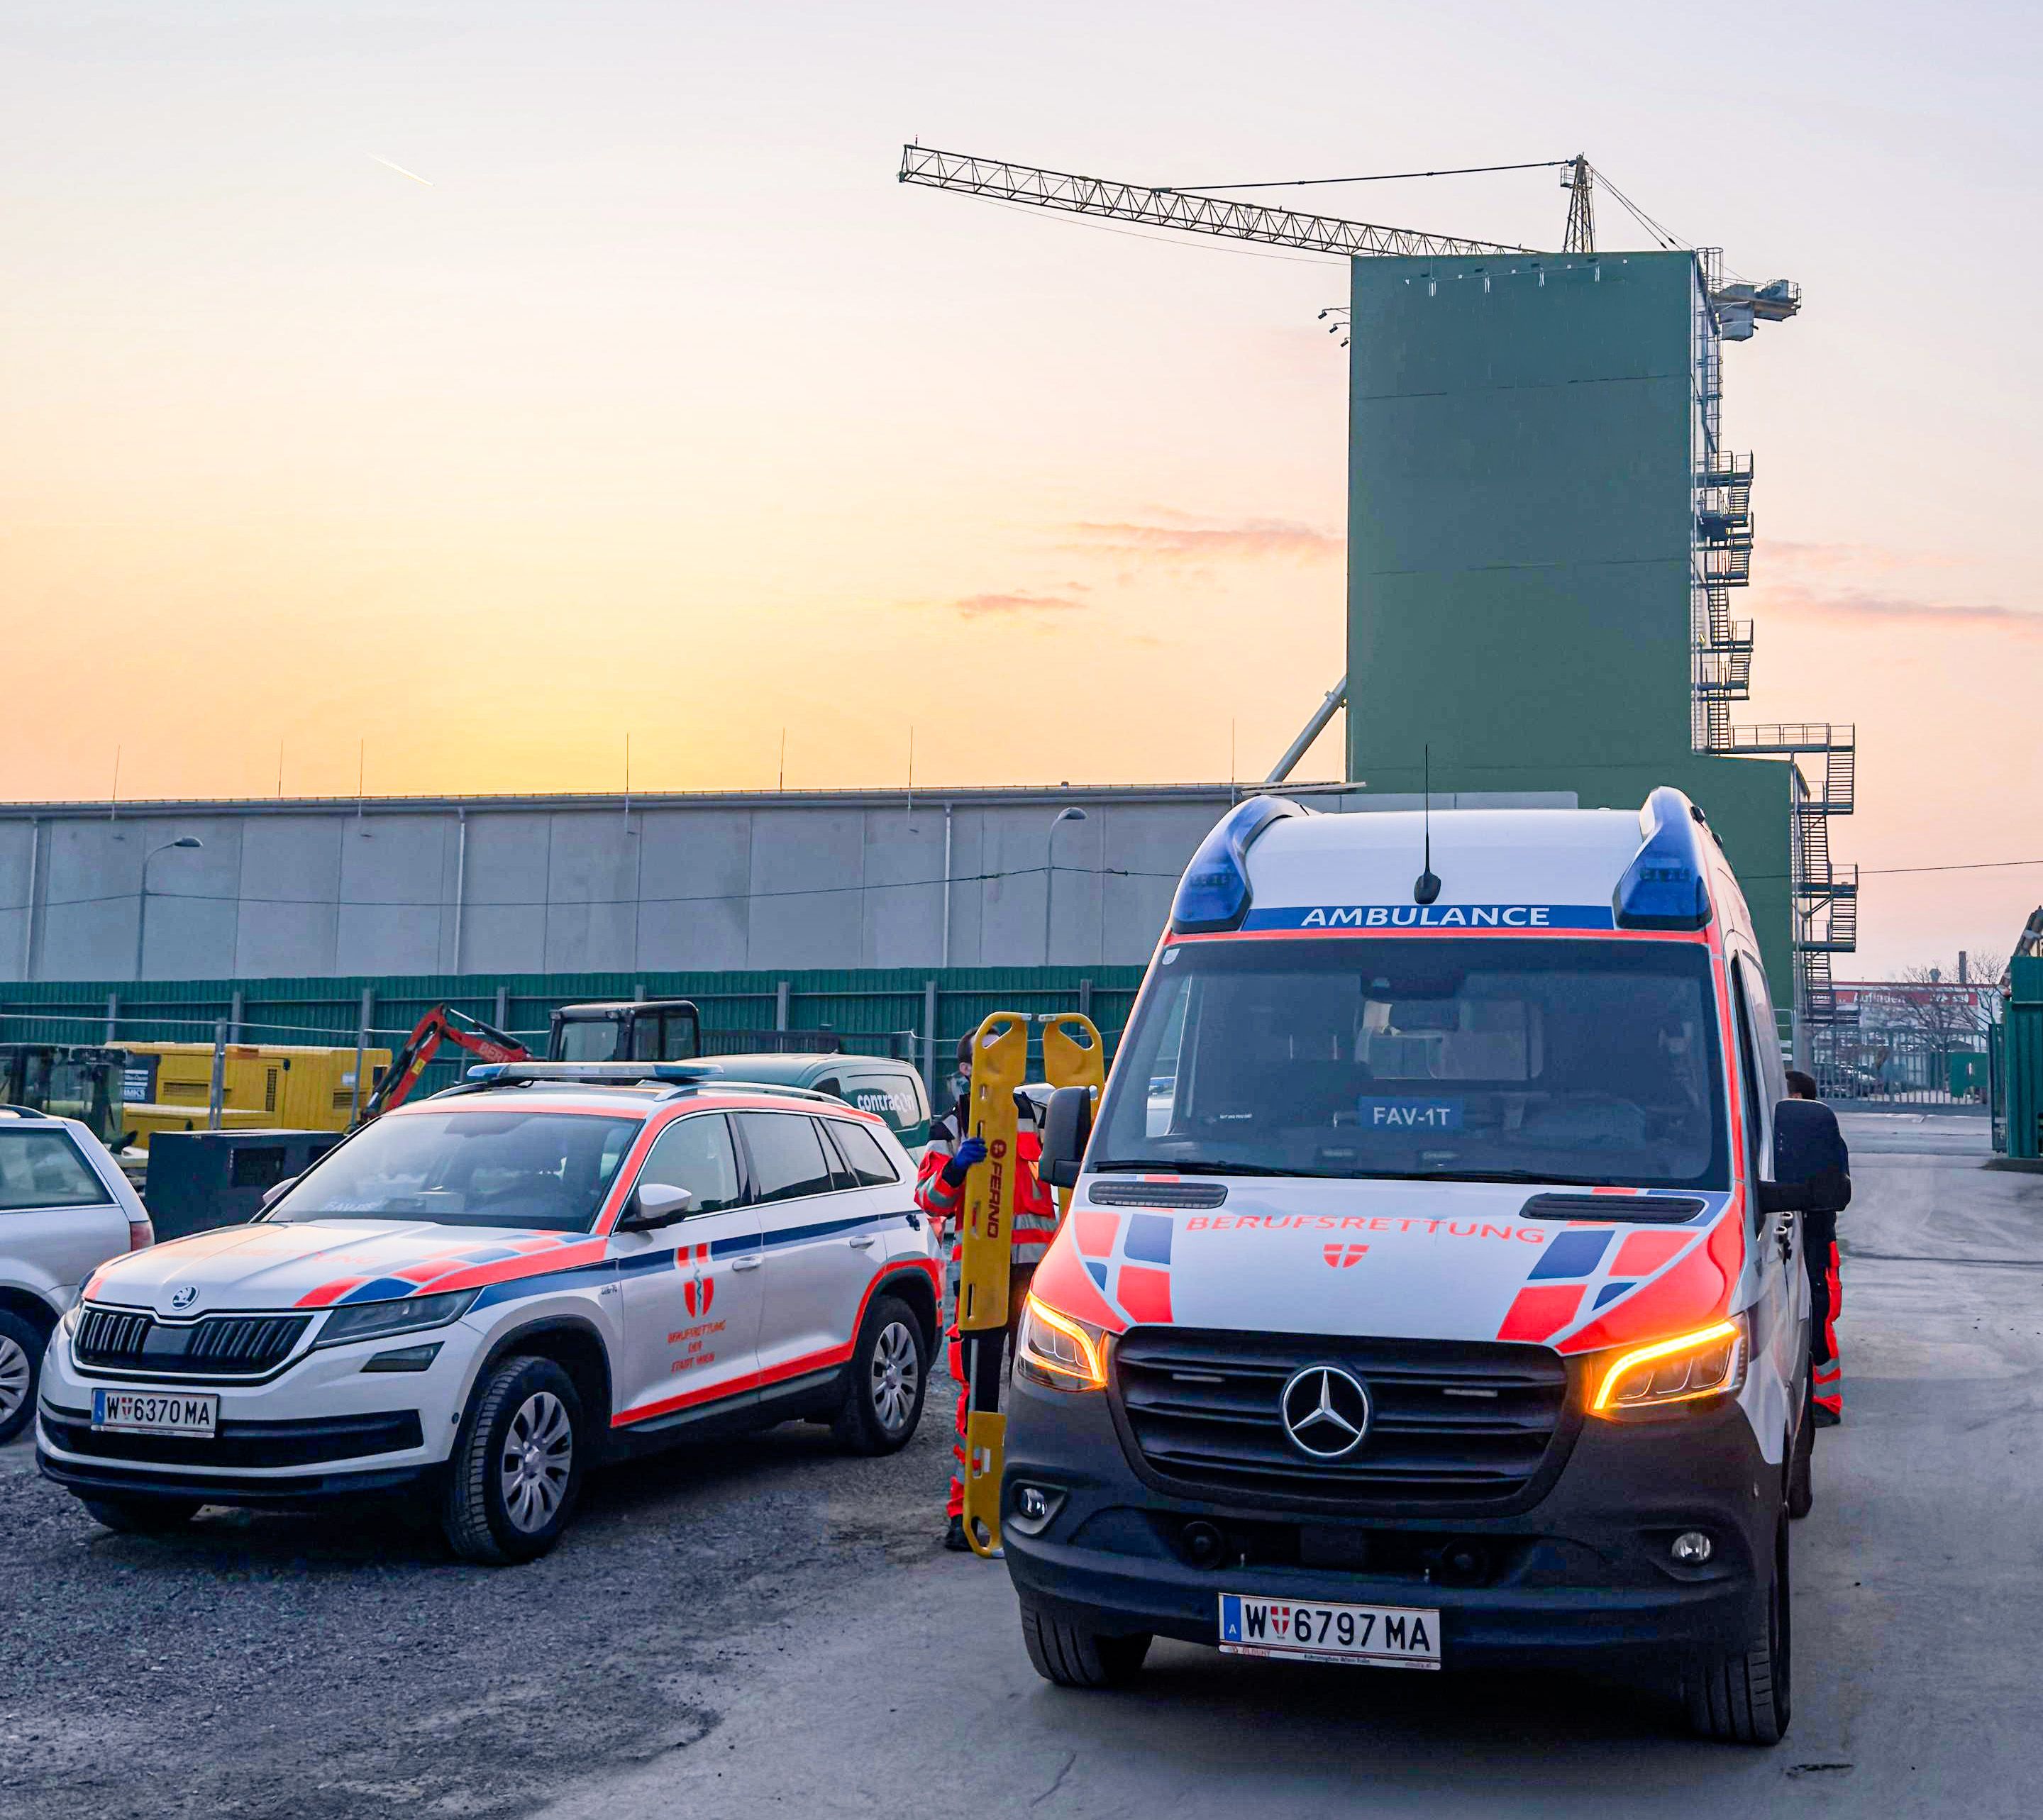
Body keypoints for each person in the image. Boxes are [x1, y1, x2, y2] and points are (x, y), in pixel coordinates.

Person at [915, 1031, 1061, 1551]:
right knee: (977, 1396)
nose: (1001, 1065)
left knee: (1042, 1394)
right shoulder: (952, 1125)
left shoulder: (1034, 1117)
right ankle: (966, 1512)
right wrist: (956, 1170)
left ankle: (1032, 1506)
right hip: (979, 1278)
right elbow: (929, 1200)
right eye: (988, 1058)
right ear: (966, 1069)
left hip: (1036, 1280)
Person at [1787, 1067, 1846, 1425]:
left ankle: (1827, 1402)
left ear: (1798, 1099)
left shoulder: (1819, 1136)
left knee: (1819, 1317)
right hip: (1793, 1235)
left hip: (1815, 1239)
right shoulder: (1775, 1134)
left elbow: (1836, 1189)